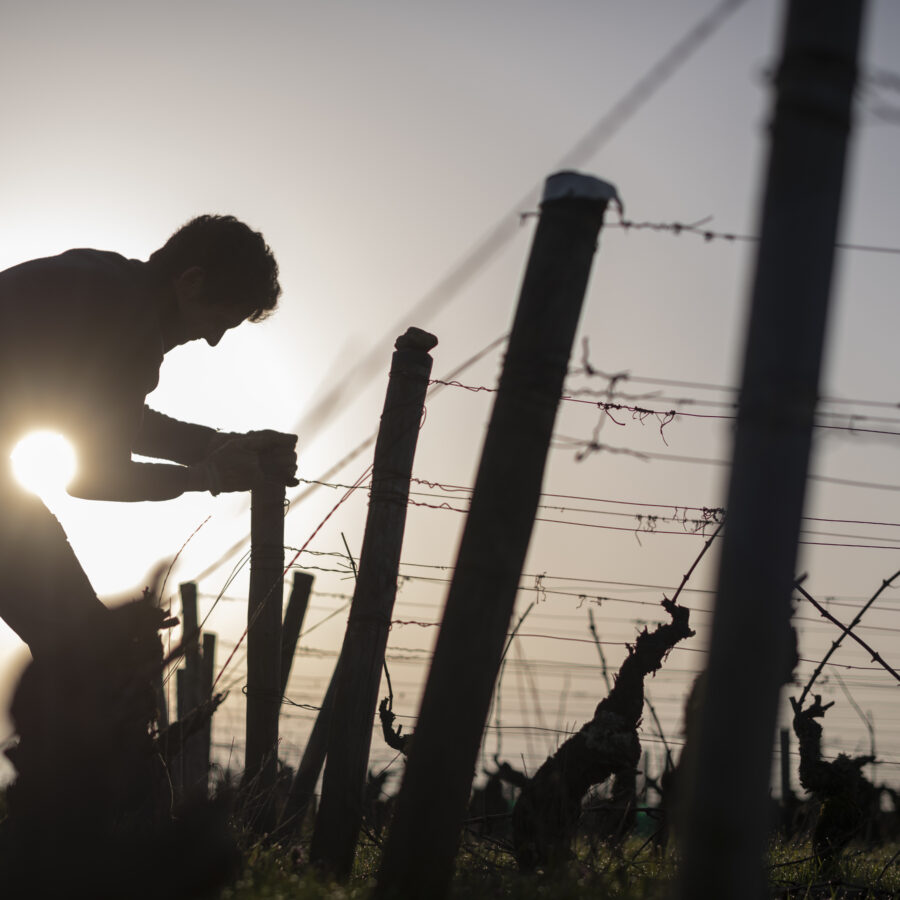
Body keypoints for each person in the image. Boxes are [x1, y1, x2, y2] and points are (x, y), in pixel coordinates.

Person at [0, 215, 298, 658]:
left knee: (84, 646)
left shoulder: (104, 281)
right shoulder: (130, 325)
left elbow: (107, 416)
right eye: (220, 320)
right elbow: (94, 478)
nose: (214, 339)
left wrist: (213, 445)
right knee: (90, 655)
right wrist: (208, 476)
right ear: (192, 281)